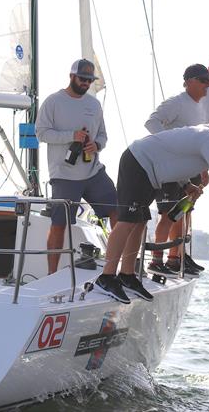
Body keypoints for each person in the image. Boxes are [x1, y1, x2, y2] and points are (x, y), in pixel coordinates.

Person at [95, 104, 209, 303]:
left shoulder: (208, 137)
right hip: (138, 161)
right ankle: (106, 277)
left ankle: (127, 275)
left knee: (140, 222)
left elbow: (174, 156)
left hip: (149, 170)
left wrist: (187, 184)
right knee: (127, 221)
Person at [36, 58, 119, 274]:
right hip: (64, 175)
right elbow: (41, 133)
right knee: (59, 224)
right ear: (71, 76)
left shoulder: (94, 104)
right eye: (82, 79)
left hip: (93, 171)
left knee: (119, 210)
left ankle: (114, 269)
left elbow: (103, 135)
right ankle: (51, 276)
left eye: (89, 80)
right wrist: (71, 136)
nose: (86, 83)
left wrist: (96, 144)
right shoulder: (53, 102)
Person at [144, 63, 209, 276]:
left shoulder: (200, 106)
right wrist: (168, 147)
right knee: (167, 214)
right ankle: (156, 260)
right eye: (203, 80)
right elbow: (151, 122)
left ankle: (175, 258)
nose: (208, 85)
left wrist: (203, 166)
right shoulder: (176, 102)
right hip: (168, 168)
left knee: (182, 212)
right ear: (189, 81)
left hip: (187, 170)